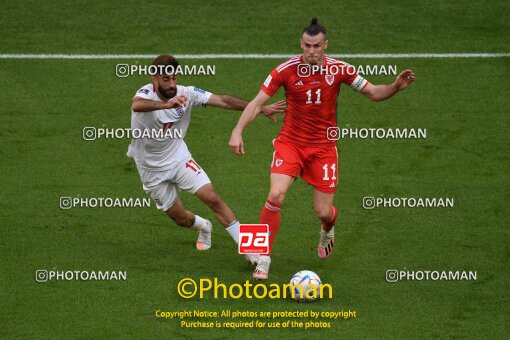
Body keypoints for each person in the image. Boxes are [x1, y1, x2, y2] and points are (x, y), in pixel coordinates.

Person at [229, 18, 415, 279]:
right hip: (290, 143)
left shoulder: (341, 70)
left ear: (325, 45)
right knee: (275, 195)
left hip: (324, 149)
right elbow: (256, 102)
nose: (312, 51)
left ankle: (328, 225)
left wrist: (395, 87)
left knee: (322, 211)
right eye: (307, 45)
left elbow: (373, 92)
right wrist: (238, 130)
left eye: (317, 46)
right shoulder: (285, 70)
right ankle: (263, 257)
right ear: (300, 44)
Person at [127, 54, 285, 258]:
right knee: (180, 219)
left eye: (174, 78)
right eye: (166, 79)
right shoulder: (145, 94)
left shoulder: (187, 93)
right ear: (154, 79)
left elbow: (224, 101)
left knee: (213, 198)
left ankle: (251, 250)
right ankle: (204, 226)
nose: (172, 84)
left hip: (178, 158)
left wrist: (259, 107)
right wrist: (167, 105)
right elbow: (136, 105)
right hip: (150, 169)